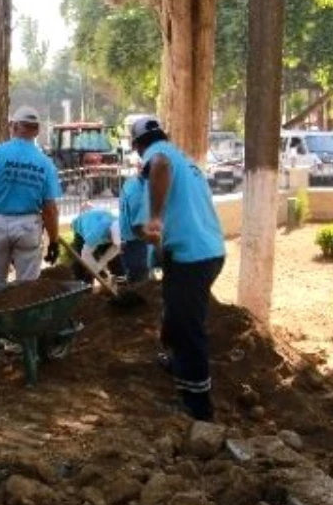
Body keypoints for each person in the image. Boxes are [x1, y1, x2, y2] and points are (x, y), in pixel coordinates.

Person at [131, 116, 226, 421]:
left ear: (136, 146)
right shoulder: (182, 157)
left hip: (193, 257)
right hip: (205, 250)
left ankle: (198, 406)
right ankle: (177, 364)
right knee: (174, 313)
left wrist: (155, 218)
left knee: (188, 328)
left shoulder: (158, 156)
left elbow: (158, 165)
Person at [0, 106, 62, 289]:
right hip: (27, 225)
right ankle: (22, 316)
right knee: (27, 287)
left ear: (13, 126)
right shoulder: (45, 163)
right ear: (38, 130)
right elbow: (50, 209)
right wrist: (54, 241)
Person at [69, 206, 124, 284]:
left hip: (99, 221)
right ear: (110, 233)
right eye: (112, 238)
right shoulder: (95, 234)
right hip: (82, 228)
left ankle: (121, 281)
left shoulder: (121, 226)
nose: (113, 241)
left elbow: (116, 248)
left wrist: (100, 265)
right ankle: (83, 284)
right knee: (81, 261)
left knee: (115, 258)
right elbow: (85, 255)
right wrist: (96, 270)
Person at [118, 166, 153, 283]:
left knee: (135, 280)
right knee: (140, 283)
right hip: (136, 245)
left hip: (130, 242)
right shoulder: (139, 193)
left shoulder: (132, 182)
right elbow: (138, 228)